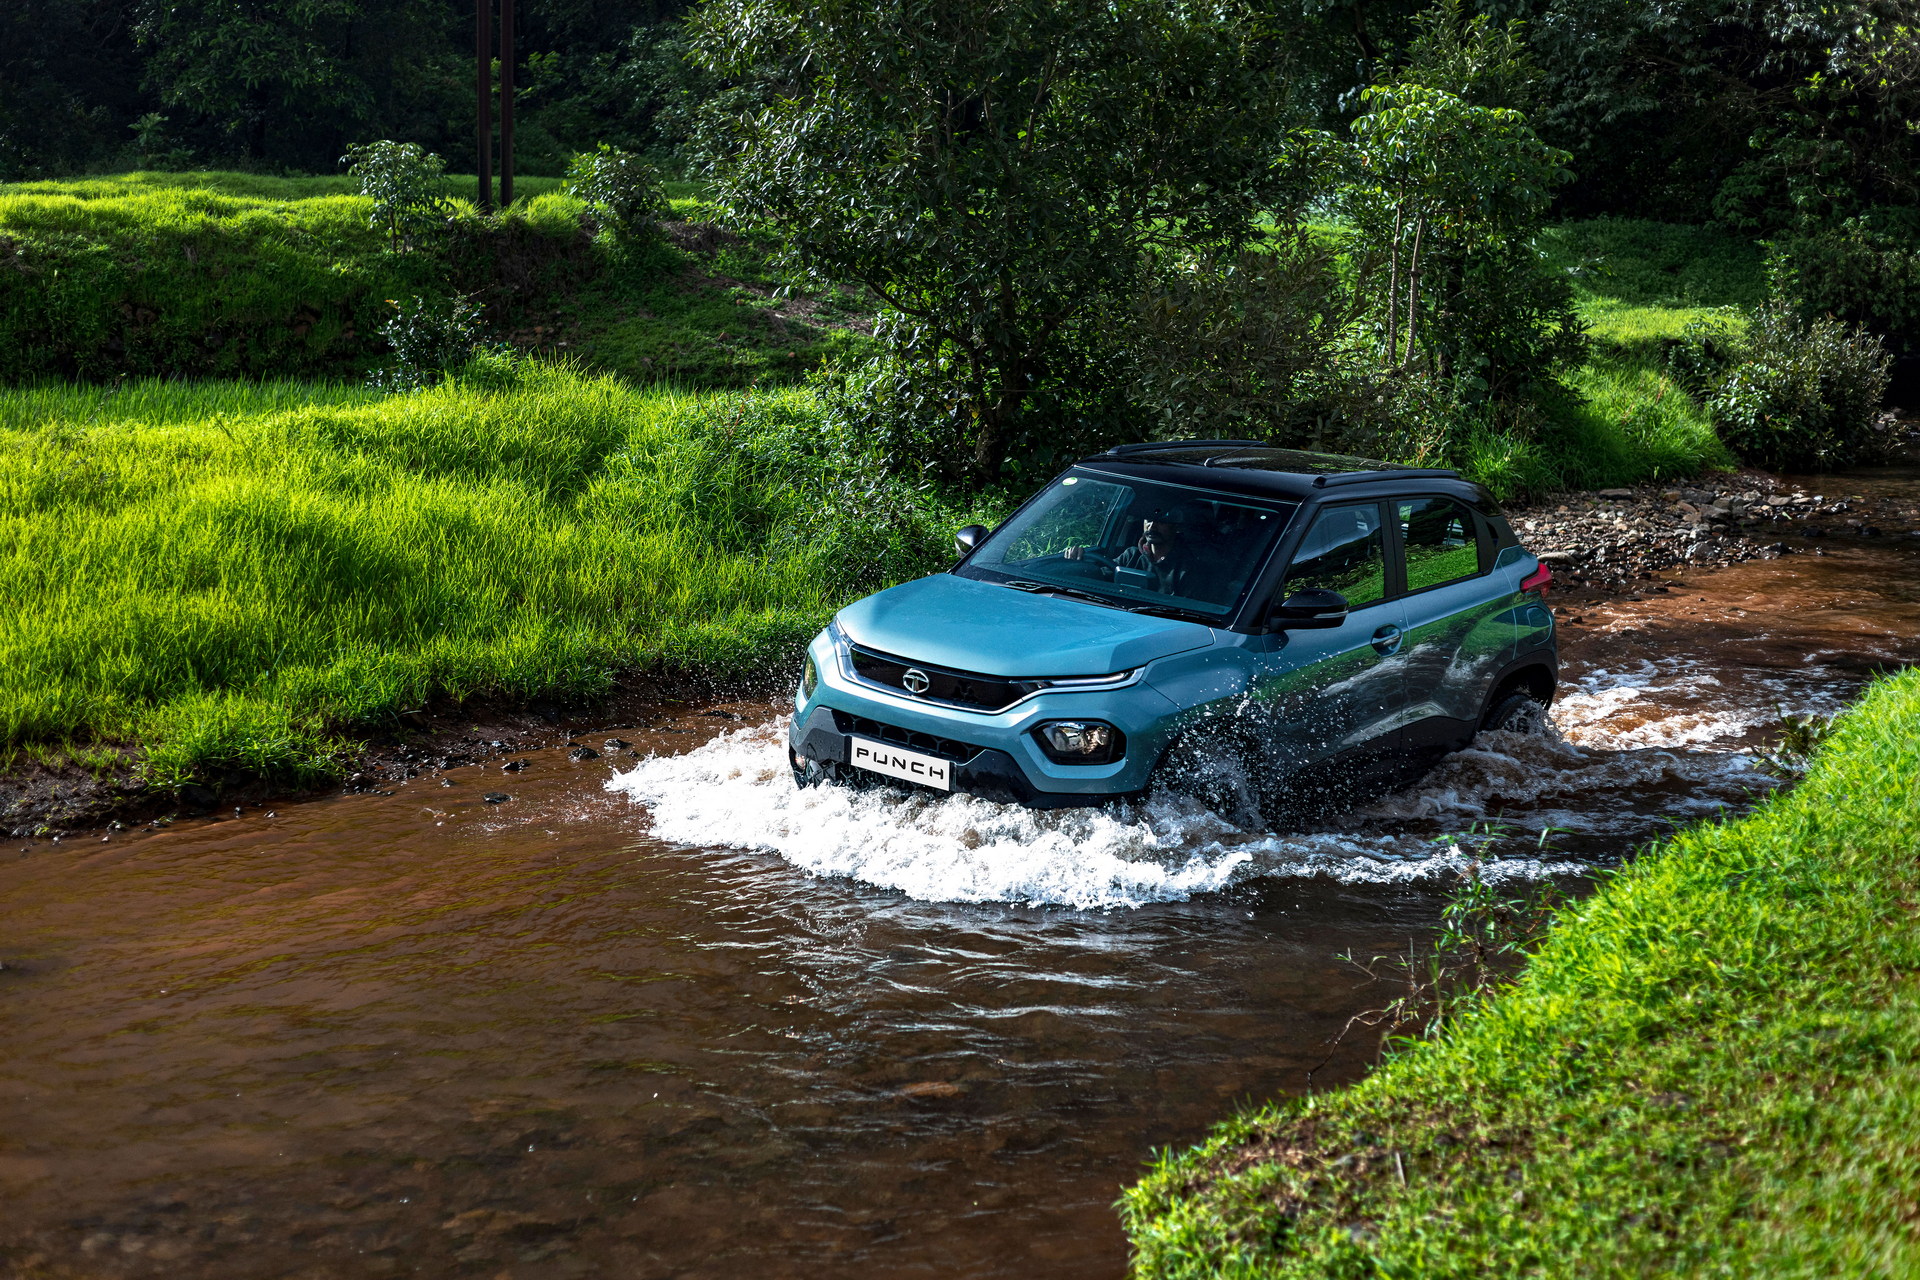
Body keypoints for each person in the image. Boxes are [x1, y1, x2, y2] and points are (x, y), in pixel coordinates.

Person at [1064, 514, 1189, 595]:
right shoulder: (1131, 555)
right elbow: (1099, 578)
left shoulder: (1187, 566)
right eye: (1149, 519)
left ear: (1177, 528)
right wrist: (1078, 564)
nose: (1152, 526)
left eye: (1161, 521)